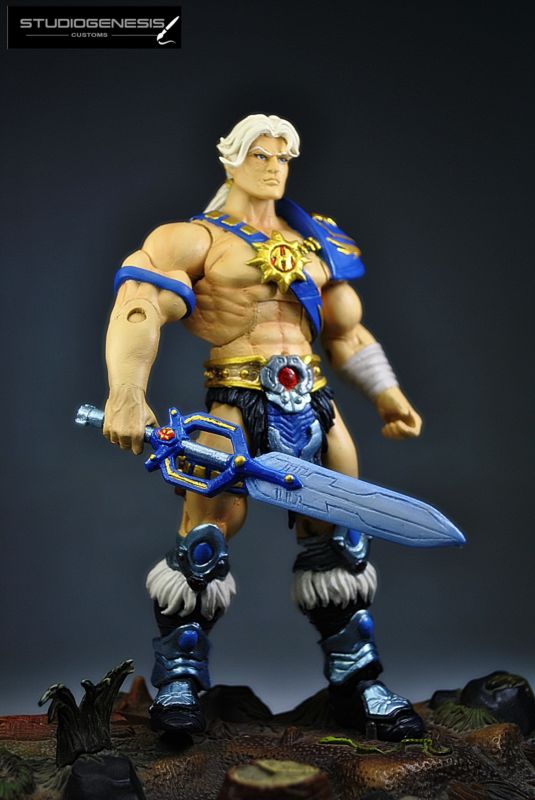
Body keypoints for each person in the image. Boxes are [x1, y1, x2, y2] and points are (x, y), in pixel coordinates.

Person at [103, 114, 424, 741]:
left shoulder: (319, 244)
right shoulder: (194, 239)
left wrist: (389, 396)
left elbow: (346, 330)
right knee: (205, 540)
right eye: (261, 155)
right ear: (230, 159)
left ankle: (358, 680)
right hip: (234, 401)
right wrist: (126, 392)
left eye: (283, 157)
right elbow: (139, 305)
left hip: (316, 403)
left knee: (342, 540)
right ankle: (180, 678)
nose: (274, 167)